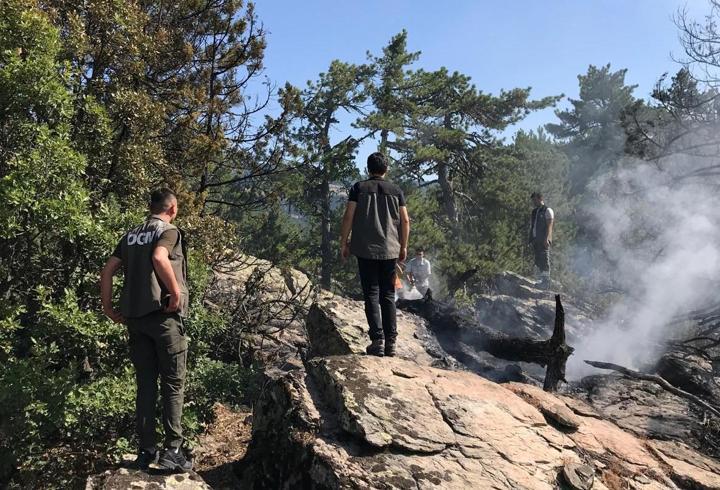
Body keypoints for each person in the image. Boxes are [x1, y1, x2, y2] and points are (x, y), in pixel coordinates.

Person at [100, 188, 192, 472]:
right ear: (172, 208)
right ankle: (172, 451)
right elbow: (160, 257)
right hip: (163, 318)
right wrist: (175, 292)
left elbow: (107, 270)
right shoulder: (169, 231)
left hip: (135, 320)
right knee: (173, 384)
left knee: (146, 386)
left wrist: (107, 306)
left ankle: (145, 451)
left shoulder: (130, 235)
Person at [340, 152, 410, 357]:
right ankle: (391, 343)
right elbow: (405, 221)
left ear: (368, 168)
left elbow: (348, 217)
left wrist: (344, 243)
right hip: (390, 249)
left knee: (371, 293)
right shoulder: (396, 190)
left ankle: (377, 340)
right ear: (386, 169)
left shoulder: (358, 188)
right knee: (388, 295)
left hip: (365, 249)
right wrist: (403, 246)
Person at [529, 191, 554, 288]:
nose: (534, 202)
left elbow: (549, 226)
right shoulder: (535, 211)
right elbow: (533, 226)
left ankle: (546, 282)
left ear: (541, 199)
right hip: (536, 240)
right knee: (538, 260)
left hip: (544, 240)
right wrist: (531, 239)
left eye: (535, 199)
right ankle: (541, 281)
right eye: (533, 200)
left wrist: (547, 239)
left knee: (544, 260)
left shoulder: (548, 210)